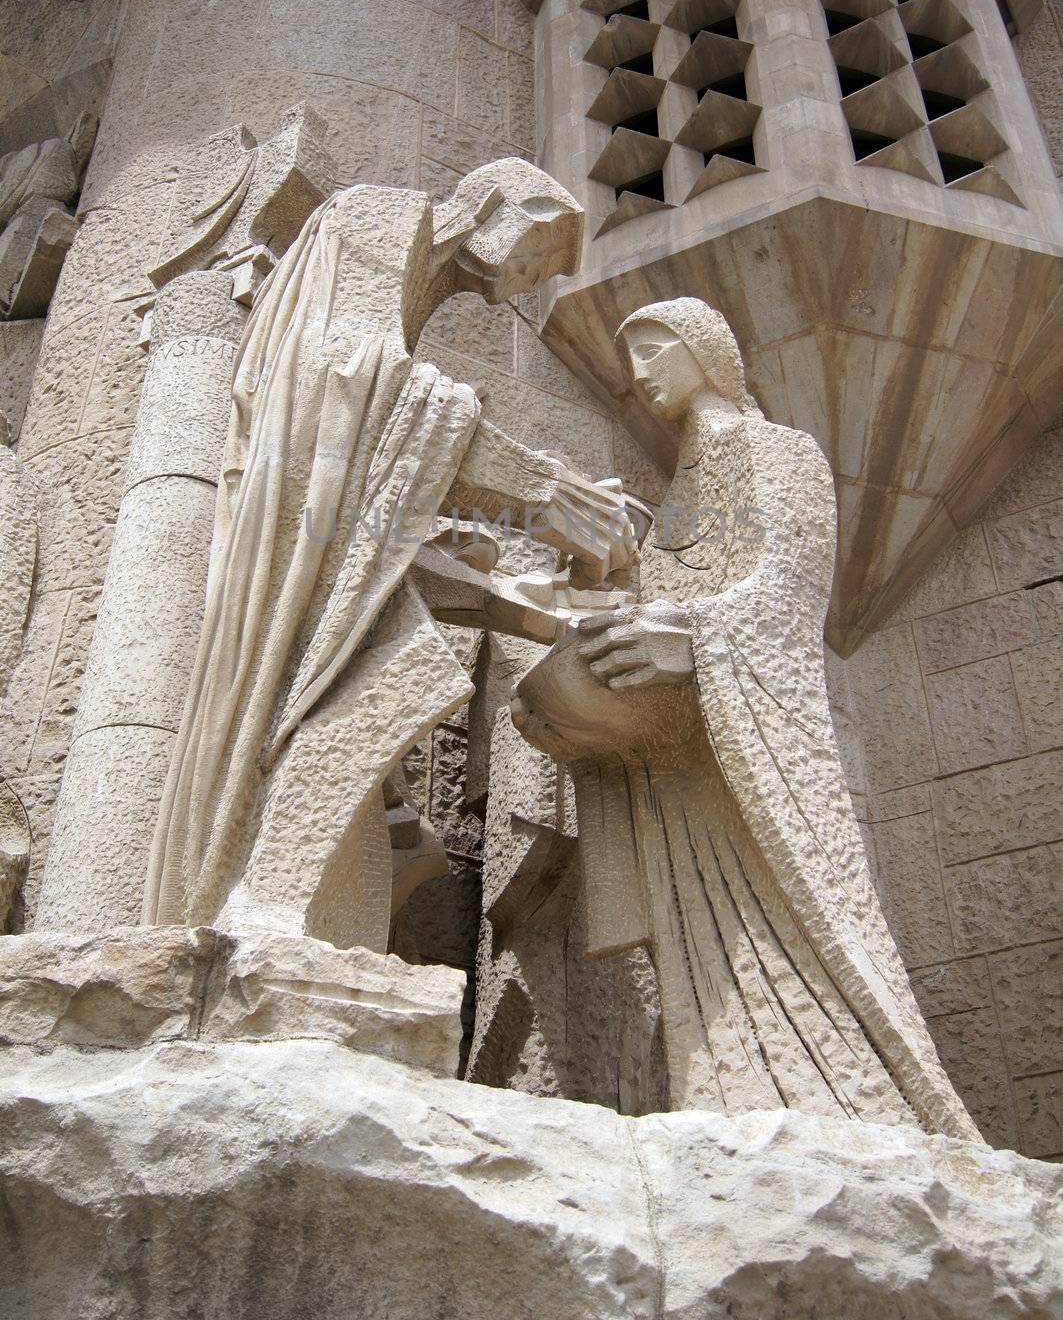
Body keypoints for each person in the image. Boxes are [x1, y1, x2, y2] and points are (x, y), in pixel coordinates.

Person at [512, 296, 978, 1140]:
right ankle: (729, 1101)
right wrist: (594, 575)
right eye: (631, 358)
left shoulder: (775, 452)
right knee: (700, 949)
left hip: (753, 746)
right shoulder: (675, 493)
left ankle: (848, 1115)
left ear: (706, 351)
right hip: (684, 769)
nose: (641, 371)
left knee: (798, 923)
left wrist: (692, 637)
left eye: (657, 348)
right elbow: (652, 609)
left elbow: (787, 593)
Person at [142, 161, 636, 949]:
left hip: (332, 521)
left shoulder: (412, 276)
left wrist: (526, 540)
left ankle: (267, 906)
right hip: (305, 520)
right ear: (502, 211)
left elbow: (381, 423)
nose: (523, 284)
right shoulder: (384, 214)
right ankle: (260, 909)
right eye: (537, 256)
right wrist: (543, 488)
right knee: (393, 680)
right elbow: (343, 372)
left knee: (390, 685)